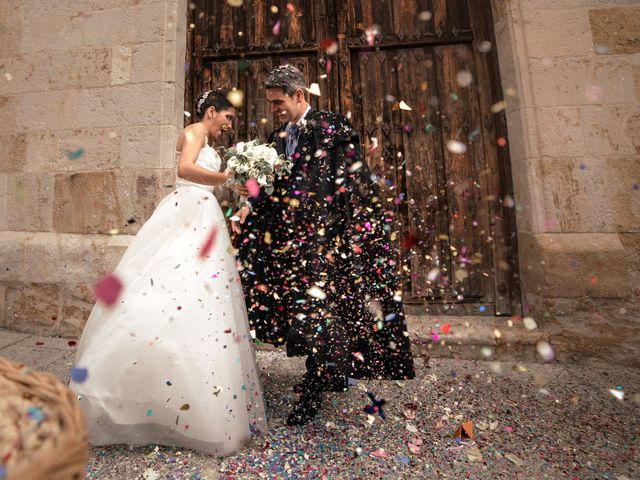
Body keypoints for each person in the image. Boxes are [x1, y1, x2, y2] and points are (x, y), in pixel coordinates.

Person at [70, 88, 267, 455]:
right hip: (187, 213)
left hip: (205, 215)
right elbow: (185, 169)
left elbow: (205, 176)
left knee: (200, 296)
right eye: (226, 117)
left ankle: (195, 395)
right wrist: (223, 176)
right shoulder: (193, 131)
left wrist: (238, 187)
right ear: (211, 111)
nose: (228, 125)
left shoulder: (209, 139)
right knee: (166, 284)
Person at [232, 65, 415, 426]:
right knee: (306, 311)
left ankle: (317, 384)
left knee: (321, 311)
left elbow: (357, 179)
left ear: (300, 95)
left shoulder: (333, 129)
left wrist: (360, 230)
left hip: (327, 241)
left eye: (279, 102)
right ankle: (325, 372)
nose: (275, 109)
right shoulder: (277, 138)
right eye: (270, 103)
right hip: (292, 242)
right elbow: (267, 185)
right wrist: (245, 205)